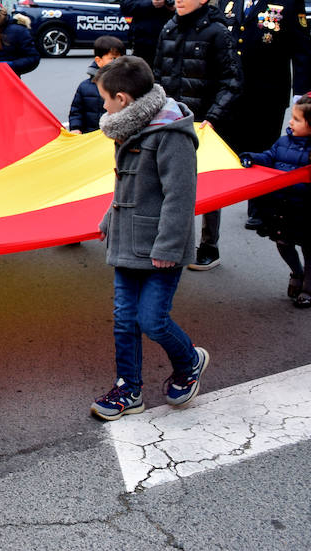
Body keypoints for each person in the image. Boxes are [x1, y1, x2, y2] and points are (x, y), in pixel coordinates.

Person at [90, 55, 209, 421]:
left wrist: (169, 248)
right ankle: (129, 388)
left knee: (152, 320)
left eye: (105, 99)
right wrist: (111, 217)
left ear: (123, 99)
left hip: (160, 248)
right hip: (128, 242)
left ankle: (189, 361)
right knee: (124, 320)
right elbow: (127, 182)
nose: (103, 105)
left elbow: (179, 196)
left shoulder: (170, 134)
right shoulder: (128, 126)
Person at [216, 0, 311, 240]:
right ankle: (220, 199)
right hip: (231, 93)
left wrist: (301, 96)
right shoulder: (228, 1)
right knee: (228, 147)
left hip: (267, 93)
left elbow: (302, 52)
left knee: (262, 150)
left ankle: (259, 208)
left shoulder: (287, 2)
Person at [150, 0, 243, 271]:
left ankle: (209, 245)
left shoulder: (218, 32)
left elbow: (232, 81)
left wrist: (214, 117)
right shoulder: (169, 28)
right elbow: (158, 75)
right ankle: (171, 241)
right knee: (170, 183)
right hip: (171, 120)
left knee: (206, 186)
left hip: (204, 122)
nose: (178, 0)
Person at [239, 91, 311, 308]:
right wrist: (252, 157)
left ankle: (308, 289)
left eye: (297, 119)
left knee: (310, 249)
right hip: (284, 206)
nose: (291, 122)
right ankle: (296, 272)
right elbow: (269, 157)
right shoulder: (284, 142)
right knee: (283, 243)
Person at [68, 35, 125, 134]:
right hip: (90, 137)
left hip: (115, 137)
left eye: (120, 59)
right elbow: (76, 112)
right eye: (113, 58)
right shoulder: (85, 87)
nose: (118, 63)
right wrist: (76, 128)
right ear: (99, 61)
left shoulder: (126, 85)